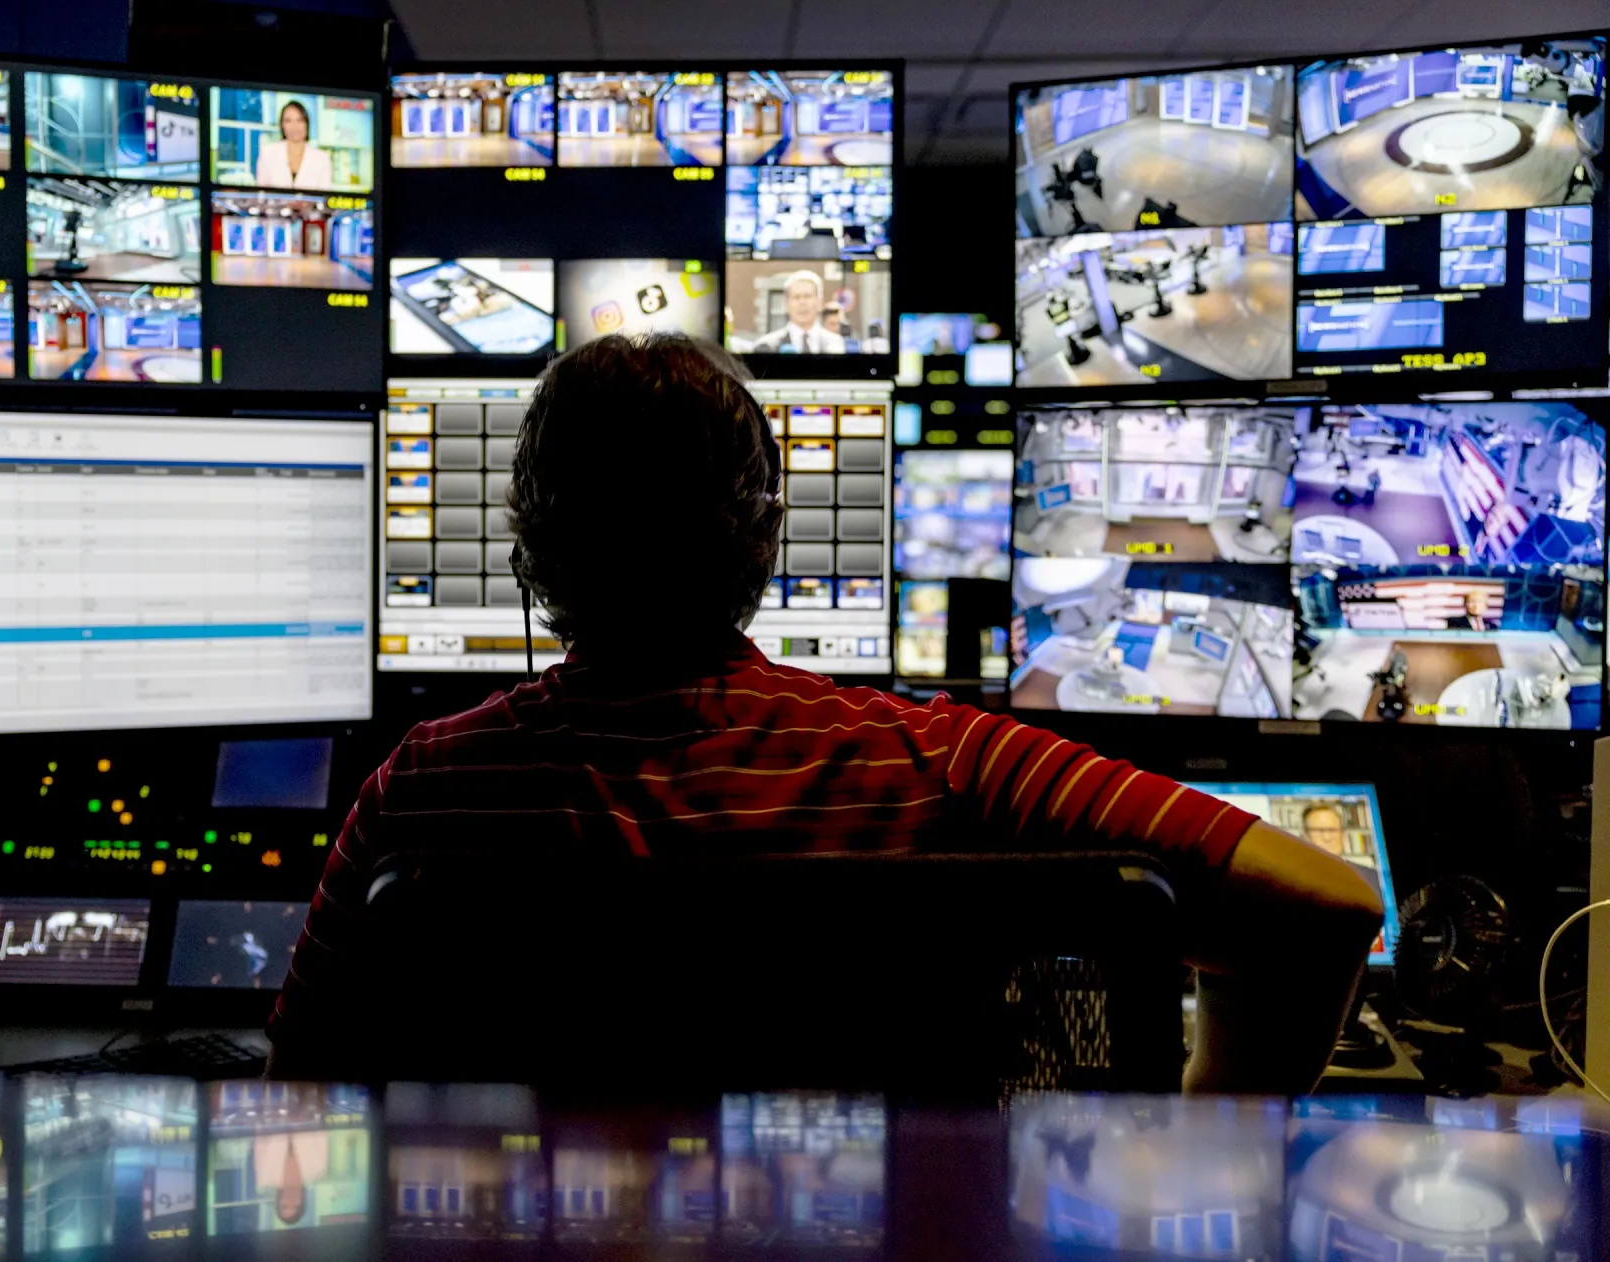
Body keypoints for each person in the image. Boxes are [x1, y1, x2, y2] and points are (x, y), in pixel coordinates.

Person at [270, 334, 1383, 1094]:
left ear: (528, 550)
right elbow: (1325, 905)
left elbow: (301, 1095)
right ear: (763, 537)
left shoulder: (422, 789)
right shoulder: (941, 757)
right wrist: (1202, 1152)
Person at [1300, 803, 1383, 901]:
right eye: (1319, 831)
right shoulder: (1290, 881)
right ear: (1305, 836)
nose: (1327, 837)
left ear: (1343, 834)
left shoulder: (1374, 878)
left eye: (1333, 830)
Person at [751, 271, 845, 353]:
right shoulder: (765, 346)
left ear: (819, 302)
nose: (802, 302)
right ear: (786, 303)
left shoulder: (836, 344)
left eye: (807, 296)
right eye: (796, 297)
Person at [256, 99, 335, 190]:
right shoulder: (268, 153)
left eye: (299, 120)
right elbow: (261, 195)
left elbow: (324, 198)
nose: (294, 126)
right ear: (282, 125)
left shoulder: (322, 159)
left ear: (306, 124)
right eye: (288, 121)